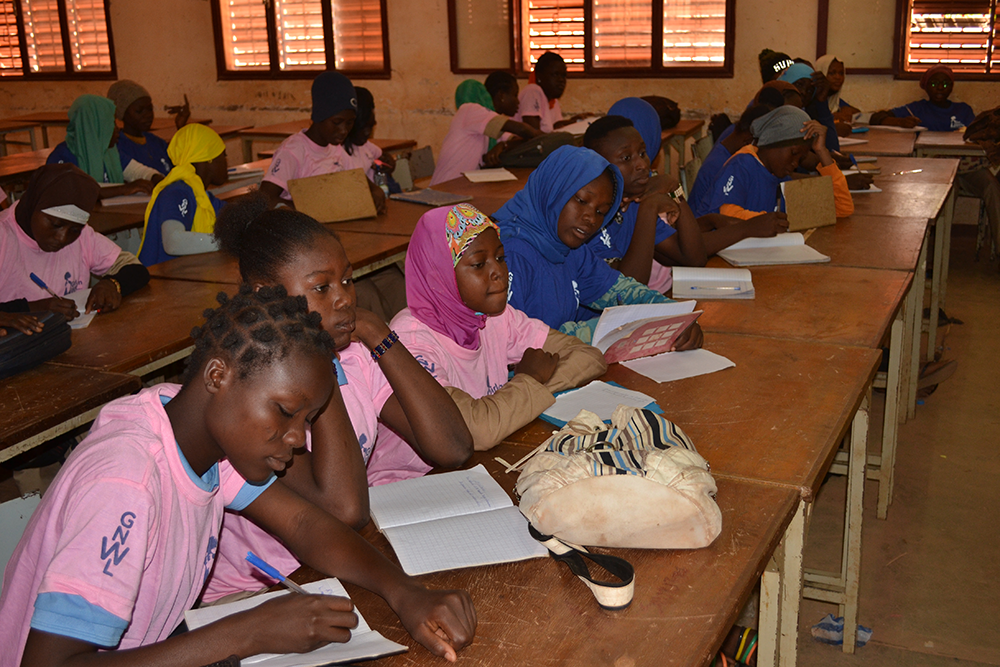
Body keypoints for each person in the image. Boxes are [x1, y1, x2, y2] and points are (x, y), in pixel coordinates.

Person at [0, 285, 476, 666]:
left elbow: (307, 525)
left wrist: (405, 592)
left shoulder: (202, 431)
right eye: (286, 413)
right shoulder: (127, 483)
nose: (296, 439)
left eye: (306, 422)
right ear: (216, 376)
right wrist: (246, 633)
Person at [202, 195, 473, 602]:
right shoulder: (253, 391)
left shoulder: (357, 358)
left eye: (347, 280)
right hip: (255, 590)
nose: (344, 298)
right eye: (321, 287)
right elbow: (342, 510)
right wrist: (321, 363)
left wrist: (380, 335)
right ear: (266, 295)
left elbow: (452, 446)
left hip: (330, 565)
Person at [382, 203, 607, 455]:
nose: (498, 272)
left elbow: (589, 357)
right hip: (415, 479)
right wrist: (529, 381)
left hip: (477, 464)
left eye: (500, 258)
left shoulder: (492, 316)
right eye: (479, 264)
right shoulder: (410, 340)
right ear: (439, 275)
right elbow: (475, 431)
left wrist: (523, 395)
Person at [493, 145, 704, 348]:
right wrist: (632, 325)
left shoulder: (569, 247)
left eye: (601, 212)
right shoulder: (508, 254)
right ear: (554, 189)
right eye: (582, 200)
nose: (590, 219)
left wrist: (676, 316)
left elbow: (621, 291)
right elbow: (519, 343)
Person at [582, 103, 706, 293]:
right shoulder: (589, 216)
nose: (641, 164)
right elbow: (627, 291)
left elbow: (694, 258)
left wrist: (675, 189)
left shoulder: (633, 200)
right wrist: (649, 208)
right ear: (599, 165)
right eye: (626, 158)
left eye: (642, 153)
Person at [0, 164, 150, 321]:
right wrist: (36, 308)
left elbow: (136, 269)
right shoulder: (4, 237)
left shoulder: (82, 237)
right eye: (55, 225)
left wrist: (113, 284)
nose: (62, 238)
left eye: (74, 230)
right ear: (33, 204)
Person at [259, 71, 385, 214]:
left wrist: (375, 189)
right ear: (319, 116)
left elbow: (357, 177)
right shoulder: (293, 151)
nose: (344, 130)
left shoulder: (335, 148)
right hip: (301, 228)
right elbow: (265, 198)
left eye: (350, 123)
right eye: (337, 122)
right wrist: (305, 209)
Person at [707, 106, 854, 220]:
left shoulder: (780, 175)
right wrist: (779, 220)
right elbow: (726, 216)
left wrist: (822, 151)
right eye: (794, 154)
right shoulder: (740, 165)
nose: (795, 164)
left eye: (800, 158)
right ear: (774, 142)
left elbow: (843, 208)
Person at [138, 124, 228, 266]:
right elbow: (173, 242)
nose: (226, 161)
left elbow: (233, 214)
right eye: (223, 155)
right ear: (208, 159)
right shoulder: (176, 192)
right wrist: (227, 242)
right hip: (162, 280)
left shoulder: (203, 197)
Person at [430, 74, 542, 185]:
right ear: (502, 95)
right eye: (514, 95)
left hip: (463, 188)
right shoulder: (470, 110)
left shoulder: (489, 124)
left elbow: (517, 139)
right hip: (445, 189)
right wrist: (542, 136)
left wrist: (503, 145)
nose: (518, 102)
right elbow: (522, 130)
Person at [46, 95, 154, 198]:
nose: (117, 129)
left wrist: (157, 178)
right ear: (95, 127)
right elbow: (75, 192)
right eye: (111, 123)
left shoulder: (109, 152)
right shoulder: (62, 157)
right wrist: (123, 189)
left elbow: (138, 172)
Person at [107, 79, 191, 179]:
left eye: (150, 109)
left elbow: (184, 167)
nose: (148, 115)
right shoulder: (117, 146)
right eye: (139, 111)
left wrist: (182, 128)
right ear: (121, 113)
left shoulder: (157, 143)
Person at [777, 63, 840, 152]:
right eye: (799, 85)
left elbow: (834, 149)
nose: (804, 92)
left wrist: (822, 103)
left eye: (810, 90)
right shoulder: (772, 114)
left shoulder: (809, 114)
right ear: (786, 83)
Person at [514, 51, 580, 133]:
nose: (561, 80)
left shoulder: (553, 101)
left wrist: (575, 122)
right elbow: (533, 136)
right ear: (539, 76)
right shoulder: (532, 91)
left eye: (563, 76)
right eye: (555, 75)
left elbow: (553, 129)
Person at [338, 86, 393, 182]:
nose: (368, 132)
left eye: (371, 126)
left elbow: (381, 156)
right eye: (362, 127)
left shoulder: (364, 146)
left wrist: (388, 161)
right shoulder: (338, 153)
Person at [814, 55, 859, 127]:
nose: (838, 77)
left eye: (841, 73)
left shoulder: (834, 99)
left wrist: (847, 110)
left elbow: (857, 113)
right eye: (832, 73)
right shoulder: (810, 99)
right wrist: (832, 117)